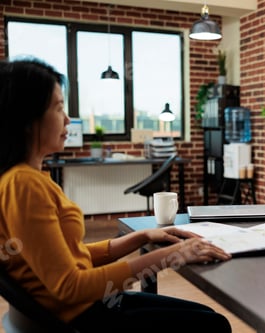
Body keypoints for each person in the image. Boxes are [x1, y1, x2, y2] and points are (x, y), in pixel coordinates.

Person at [0, 58, 232, 332]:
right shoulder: (23, 185)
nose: (67, 119)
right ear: (27, 118)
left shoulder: (24, 179)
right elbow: (70, 287)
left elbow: (68, 256)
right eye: (59, 107)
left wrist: (141, 237)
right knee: (213, 325)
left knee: (207, 316)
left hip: (85, 307)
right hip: (82, 317)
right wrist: (173, 255)